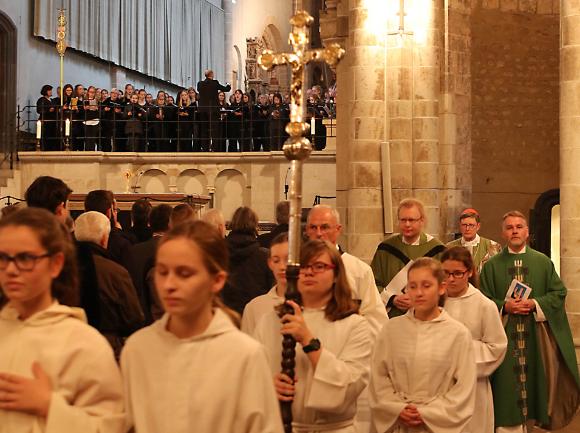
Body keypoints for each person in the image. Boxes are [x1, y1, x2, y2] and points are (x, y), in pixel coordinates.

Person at [121, 220, 284, 433]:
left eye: (184, 273)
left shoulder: (244, 355)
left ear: (217, 280)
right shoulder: (138, 348)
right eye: (162, 272)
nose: (169, 285)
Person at [0, 208, 125, 432]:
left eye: (25, 258)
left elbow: (110, 426)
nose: (10, 269)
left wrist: (49, 406)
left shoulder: (84, 343)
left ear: (56, 264)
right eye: (2, 258)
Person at [253, 239, 372, 433]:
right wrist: (267, 386)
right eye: (304, 266)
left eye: (319, 266)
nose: (309, 272)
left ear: (336, 275)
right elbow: (251, 374)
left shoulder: (355, 325)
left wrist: (308, 340)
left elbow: (351, 385)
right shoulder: (271, 320)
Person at [479, 211, 580, 432]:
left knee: (535, 385)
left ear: (527, 232)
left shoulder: (542, 262)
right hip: (504, 338)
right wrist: (505, 306)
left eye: (519, 226)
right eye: (509, 227)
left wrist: (534, 303)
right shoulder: (491, 266)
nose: (514, 230)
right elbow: (483, 300)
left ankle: (532, 424)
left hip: (535, 337)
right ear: (502, 233)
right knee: (506, 388)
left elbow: (559, 292)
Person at [369, 257, 476, 433]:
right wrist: (397, 408)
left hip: (437, 424)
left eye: (426, 286)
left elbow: (464, 389)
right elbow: (378, 378)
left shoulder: (457, 334)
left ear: (441, 287)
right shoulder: (391, 329)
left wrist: (428, 413)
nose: (418, 293)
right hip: (399, 423)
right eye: (412, 286)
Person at [441, 246, 508, 433]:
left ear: (469, 272)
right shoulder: (434, 301)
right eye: (445, 273)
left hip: (472, 388)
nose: (450, 279)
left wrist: (460, 353)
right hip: (436, 386)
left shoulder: (484, 305)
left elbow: (497, 347)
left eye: (457, 273)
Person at [306, 205, 387, 337]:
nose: (319, 233)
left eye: (325, 227)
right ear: (307, 230)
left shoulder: (359, 270)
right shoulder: (298, 268)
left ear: (338, 230)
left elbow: (376, 321)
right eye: (313, 227)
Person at [74, 211, 144, 358]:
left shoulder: (60, 269)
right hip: (107, 347)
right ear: (105, 239)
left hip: (67, 346)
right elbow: (133, 318)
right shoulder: (115, 272)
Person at [370, 198, 445, 318]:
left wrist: (419, 300)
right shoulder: (386, 249)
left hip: (426, 318)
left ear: (422, 221)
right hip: (391, 318)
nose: (407, 224)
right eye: (403, 220)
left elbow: (444, 287)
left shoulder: (437, 250)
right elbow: (372, 283)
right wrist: (392, 299)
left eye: (411, 220)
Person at [223, 206, 274, 314]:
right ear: (255, 225)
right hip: (256, 314)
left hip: (227, 314)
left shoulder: (221, 254)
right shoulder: (264, 256)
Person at [241, 232, 288, 334]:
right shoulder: (254, 307)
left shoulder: (312, 304)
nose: (282, 267)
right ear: (270, 263)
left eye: (288, 260)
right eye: (276, 261)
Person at [446, 208, 502, 273]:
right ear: (460, 226)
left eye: (471, 225)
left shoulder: (492, 246)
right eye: (464, 225)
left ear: (478, 226)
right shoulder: (449, 247)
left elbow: (497, 271)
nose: (467, 228)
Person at [197, 70, 231, 151]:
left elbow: (199, 91)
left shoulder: (200, 84)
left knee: (204, 130)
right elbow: (226, 89)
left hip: (203, 110)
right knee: (214, 130)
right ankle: (214, 148)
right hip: (213, 110)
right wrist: (228, 85)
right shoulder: (215, 83)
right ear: (211, 75)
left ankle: (205, 148)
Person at [36, 84, 57, 151]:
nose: (50, 92)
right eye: (49, 90)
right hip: (45, 122)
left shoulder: (52, 100)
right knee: (45, 137)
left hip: (53, 122)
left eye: (51, 90)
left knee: (52, 138)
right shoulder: (41, 100)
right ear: (45, 91)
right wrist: (48, 110)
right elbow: (39, 110)